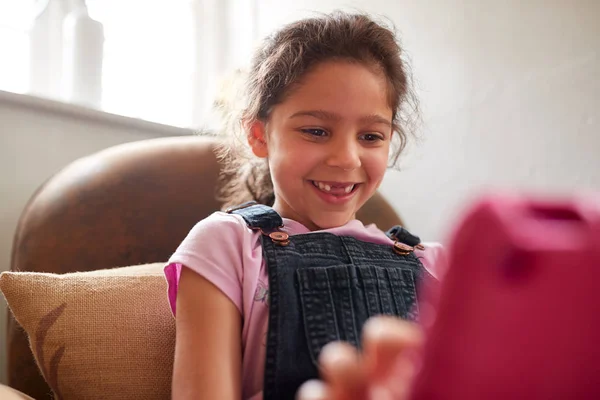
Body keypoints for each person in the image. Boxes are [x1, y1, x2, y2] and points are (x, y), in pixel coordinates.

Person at [164, 11, 445, 400]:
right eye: (316, 131)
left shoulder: (436, 264)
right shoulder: (226, 244)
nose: (347, 158)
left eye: (370, 136)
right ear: (259, 135)